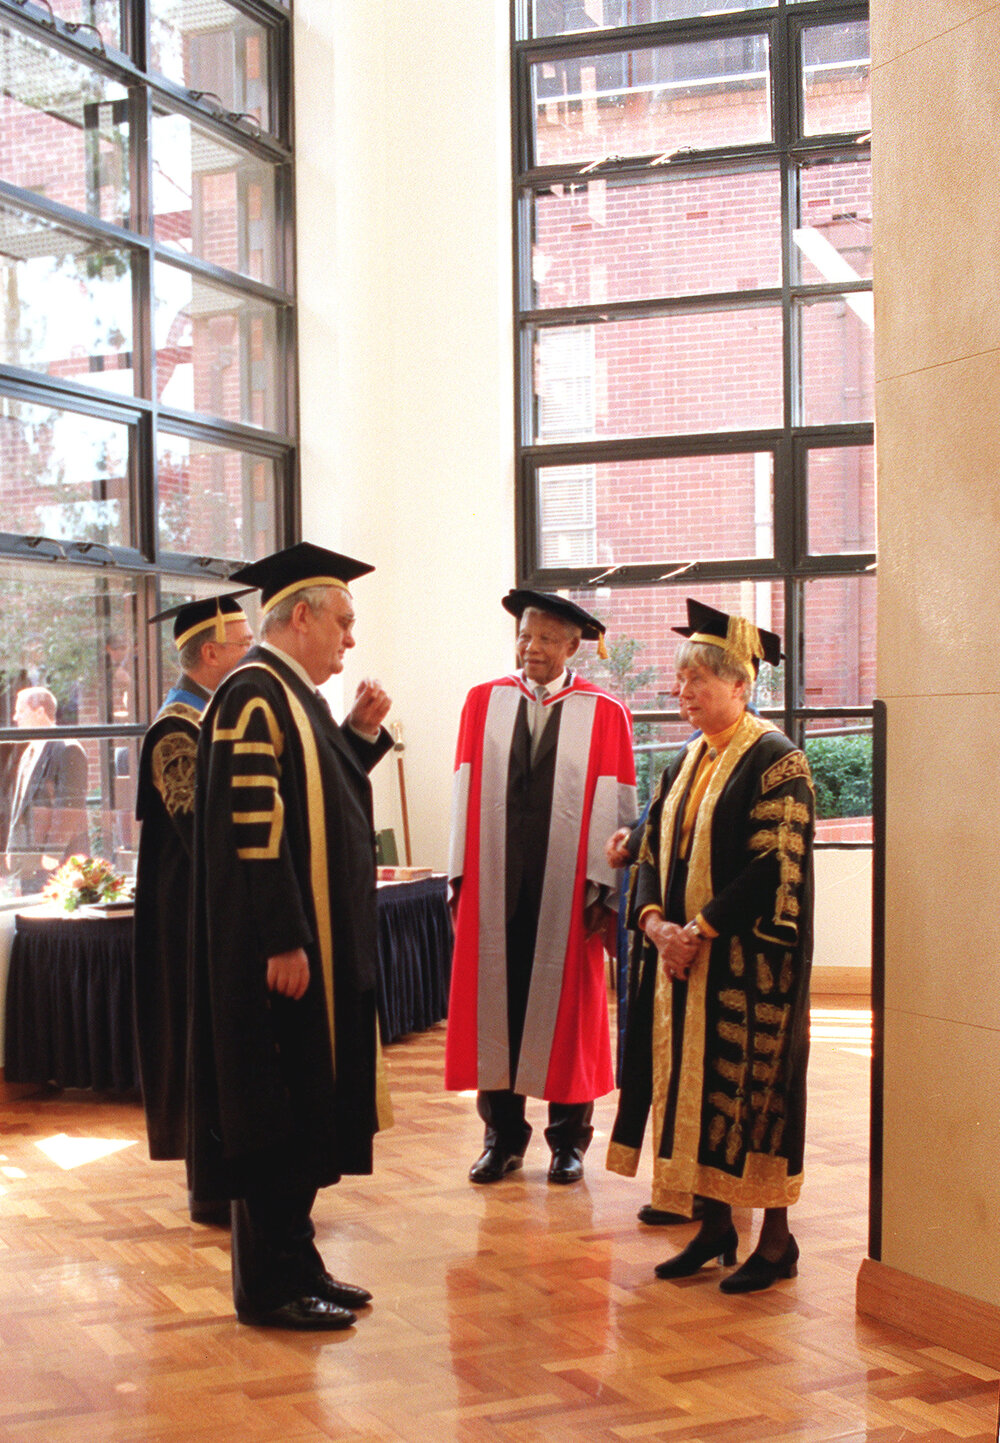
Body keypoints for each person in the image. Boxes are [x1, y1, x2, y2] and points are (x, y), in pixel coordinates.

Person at [187, 542, 393, 1332]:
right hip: (278, 954)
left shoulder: (290, 694)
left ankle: (298, 1260)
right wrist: (282, 935)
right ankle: (269, 1286)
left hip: (313, 947)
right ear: (299, 615)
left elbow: (318, 794)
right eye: (342, 622)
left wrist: (359, 737)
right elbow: (255, 826)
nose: (349, 639)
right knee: (273, 1113)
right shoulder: (252, 694)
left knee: (302, 1108)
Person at [607, 598, 814, 1294]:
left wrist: (699, 931)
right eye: (681, 679)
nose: (682, 692)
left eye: (697, 679)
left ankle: (778, 1239)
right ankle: (717, 1222)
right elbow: (650, 852)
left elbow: (772, 867)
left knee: (757, 1096)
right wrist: (657, 924)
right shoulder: (687, 760)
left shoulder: (778, 762)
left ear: (739, 683)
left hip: (748, 971)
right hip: (683, 962)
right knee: (692, 1093)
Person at [446, 589, 636, 1186]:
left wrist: (604, 892)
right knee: (495, 1006)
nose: (531, 648)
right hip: (497, 883)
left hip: (568, 892)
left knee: (568, 1013)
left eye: (546, 638)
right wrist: (461, 879)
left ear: (573, 646)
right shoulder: (484, 702)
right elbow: (463, 792)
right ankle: (500, 1138)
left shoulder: (604, 712)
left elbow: (617, 808)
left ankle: (568, 1142)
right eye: (525, 635)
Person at [132, 594, 254, 1223]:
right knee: (197, 1045)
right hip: (186, 919)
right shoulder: (176, 730)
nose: (251, 651)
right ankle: (209, 1188)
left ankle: (227, 1178)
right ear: (211, 653)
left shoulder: (218, 716)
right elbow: (201, 825)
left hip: (212, 910)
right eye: (242, 643)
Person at [5, 686, 88, 894]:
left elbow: (69, 805)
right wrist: (11, 850)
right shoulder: (27, 754)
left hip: (56, 867)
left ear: (40, 711)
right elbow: (19, 807)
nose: (15, 718)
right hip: (29, 864)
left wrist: (51, 854)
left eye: (20, 711)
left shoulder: (68, 749)